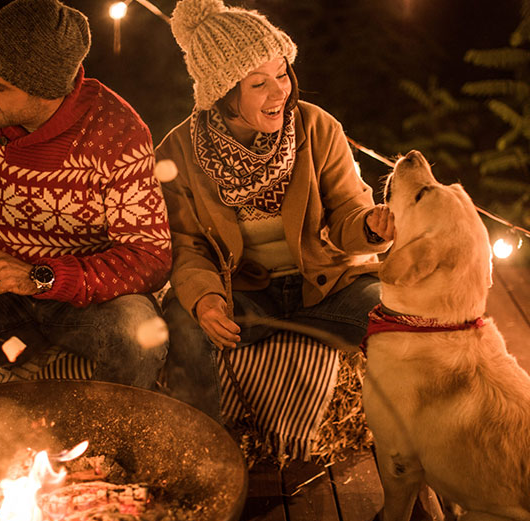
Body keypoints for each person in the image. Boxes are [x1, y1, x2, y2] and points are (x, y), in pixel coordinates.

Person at [0, 0, 172, 400]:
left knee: (139, 337)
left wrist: (40, 277)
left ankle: (108, 450)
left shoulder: (116, 133)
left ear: (46, 90)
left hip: (92, 299)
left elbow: (149, 256)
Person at [157, 0, 394, 420]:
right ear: (223, 92)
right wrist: (206, 299)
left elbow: (347, 213)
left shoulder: (317, 128)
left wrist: (371, 228)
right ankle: (204, 451)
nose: (280, 91)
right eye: (258, 83)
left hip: (327, 289)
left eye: (282, 74)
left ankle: (413, 444)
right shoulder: (179, 151)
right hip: (245, 297)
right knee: (182, 322)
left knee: (398, 318)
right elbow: (187, 245)